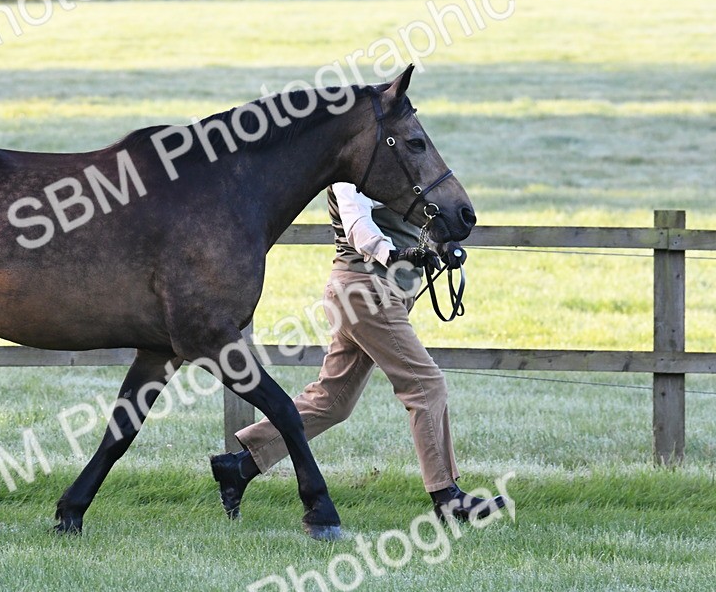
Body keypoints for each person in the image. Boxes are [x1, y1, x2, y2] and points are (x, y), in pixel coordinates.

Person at [210, 182, 506, 523]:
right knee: (426, 386)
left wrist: (444, 243)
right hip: (366, 292)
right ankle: (448, 498)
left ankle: (239, 466)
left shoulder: (390, 163)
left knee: (332, 402)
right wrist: (392, 254)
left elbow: (418, 214)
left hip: (372, 292)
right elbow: (356, 225)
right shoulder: (350, 174)